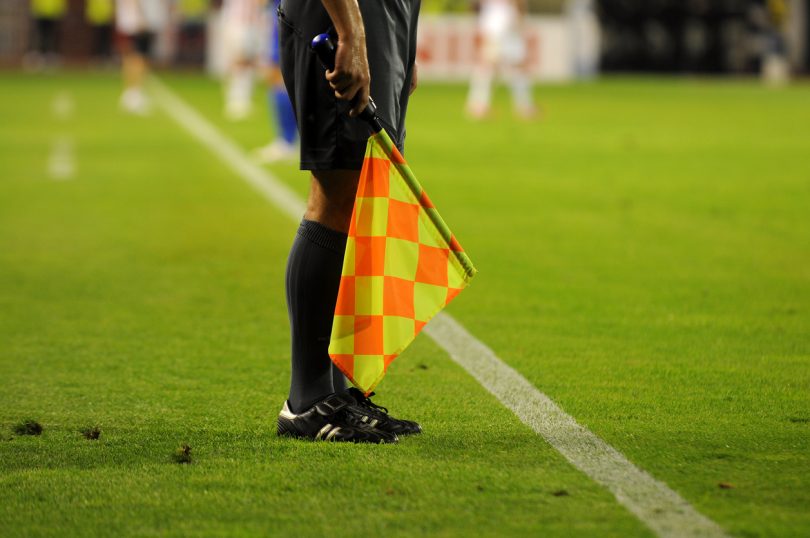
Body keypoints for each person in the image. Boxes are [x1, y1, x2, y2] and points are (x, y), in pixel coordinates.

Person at [275, 0, 422, 443]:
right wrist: (352, 32)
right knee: (337, 193)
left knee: (362, 197)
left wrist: (405, 43)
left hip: (383, 16)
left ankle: (336, 393)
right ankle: (307, 399)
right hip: (343, 16)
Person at [466, 0, 537, 120]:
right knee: (490, 64)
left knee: (512, 63)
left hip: (500, 19)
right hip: (498, 21)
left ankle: (523, 106)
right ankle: (478, 105)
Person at [253, 0, 298, 163]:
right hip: (292, 14)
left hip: (288, 15)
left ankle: (286, 142)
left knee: (278, 77)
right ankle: (288, 141)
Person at [116, 0, 168, 115]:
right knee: (138, 58)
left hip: (132, 22)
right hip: (137, 23)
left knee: (133, 58)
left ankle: (132, 92)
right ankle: (134, 93)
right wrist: (140, 17)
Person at [220, 0, 263, 120]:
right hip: (240, 24)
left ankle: (243, 100)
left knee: (248, 62)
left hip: (249, 24)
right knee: (240, 62)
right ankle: (235, 101)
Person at [26, 0, 67, 70]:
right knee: (39, 36)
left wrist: (60, 10)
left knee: (52, 36)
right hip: (40, 13)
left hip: (53, 13)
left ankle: (50, 57)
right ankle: (38, 57)